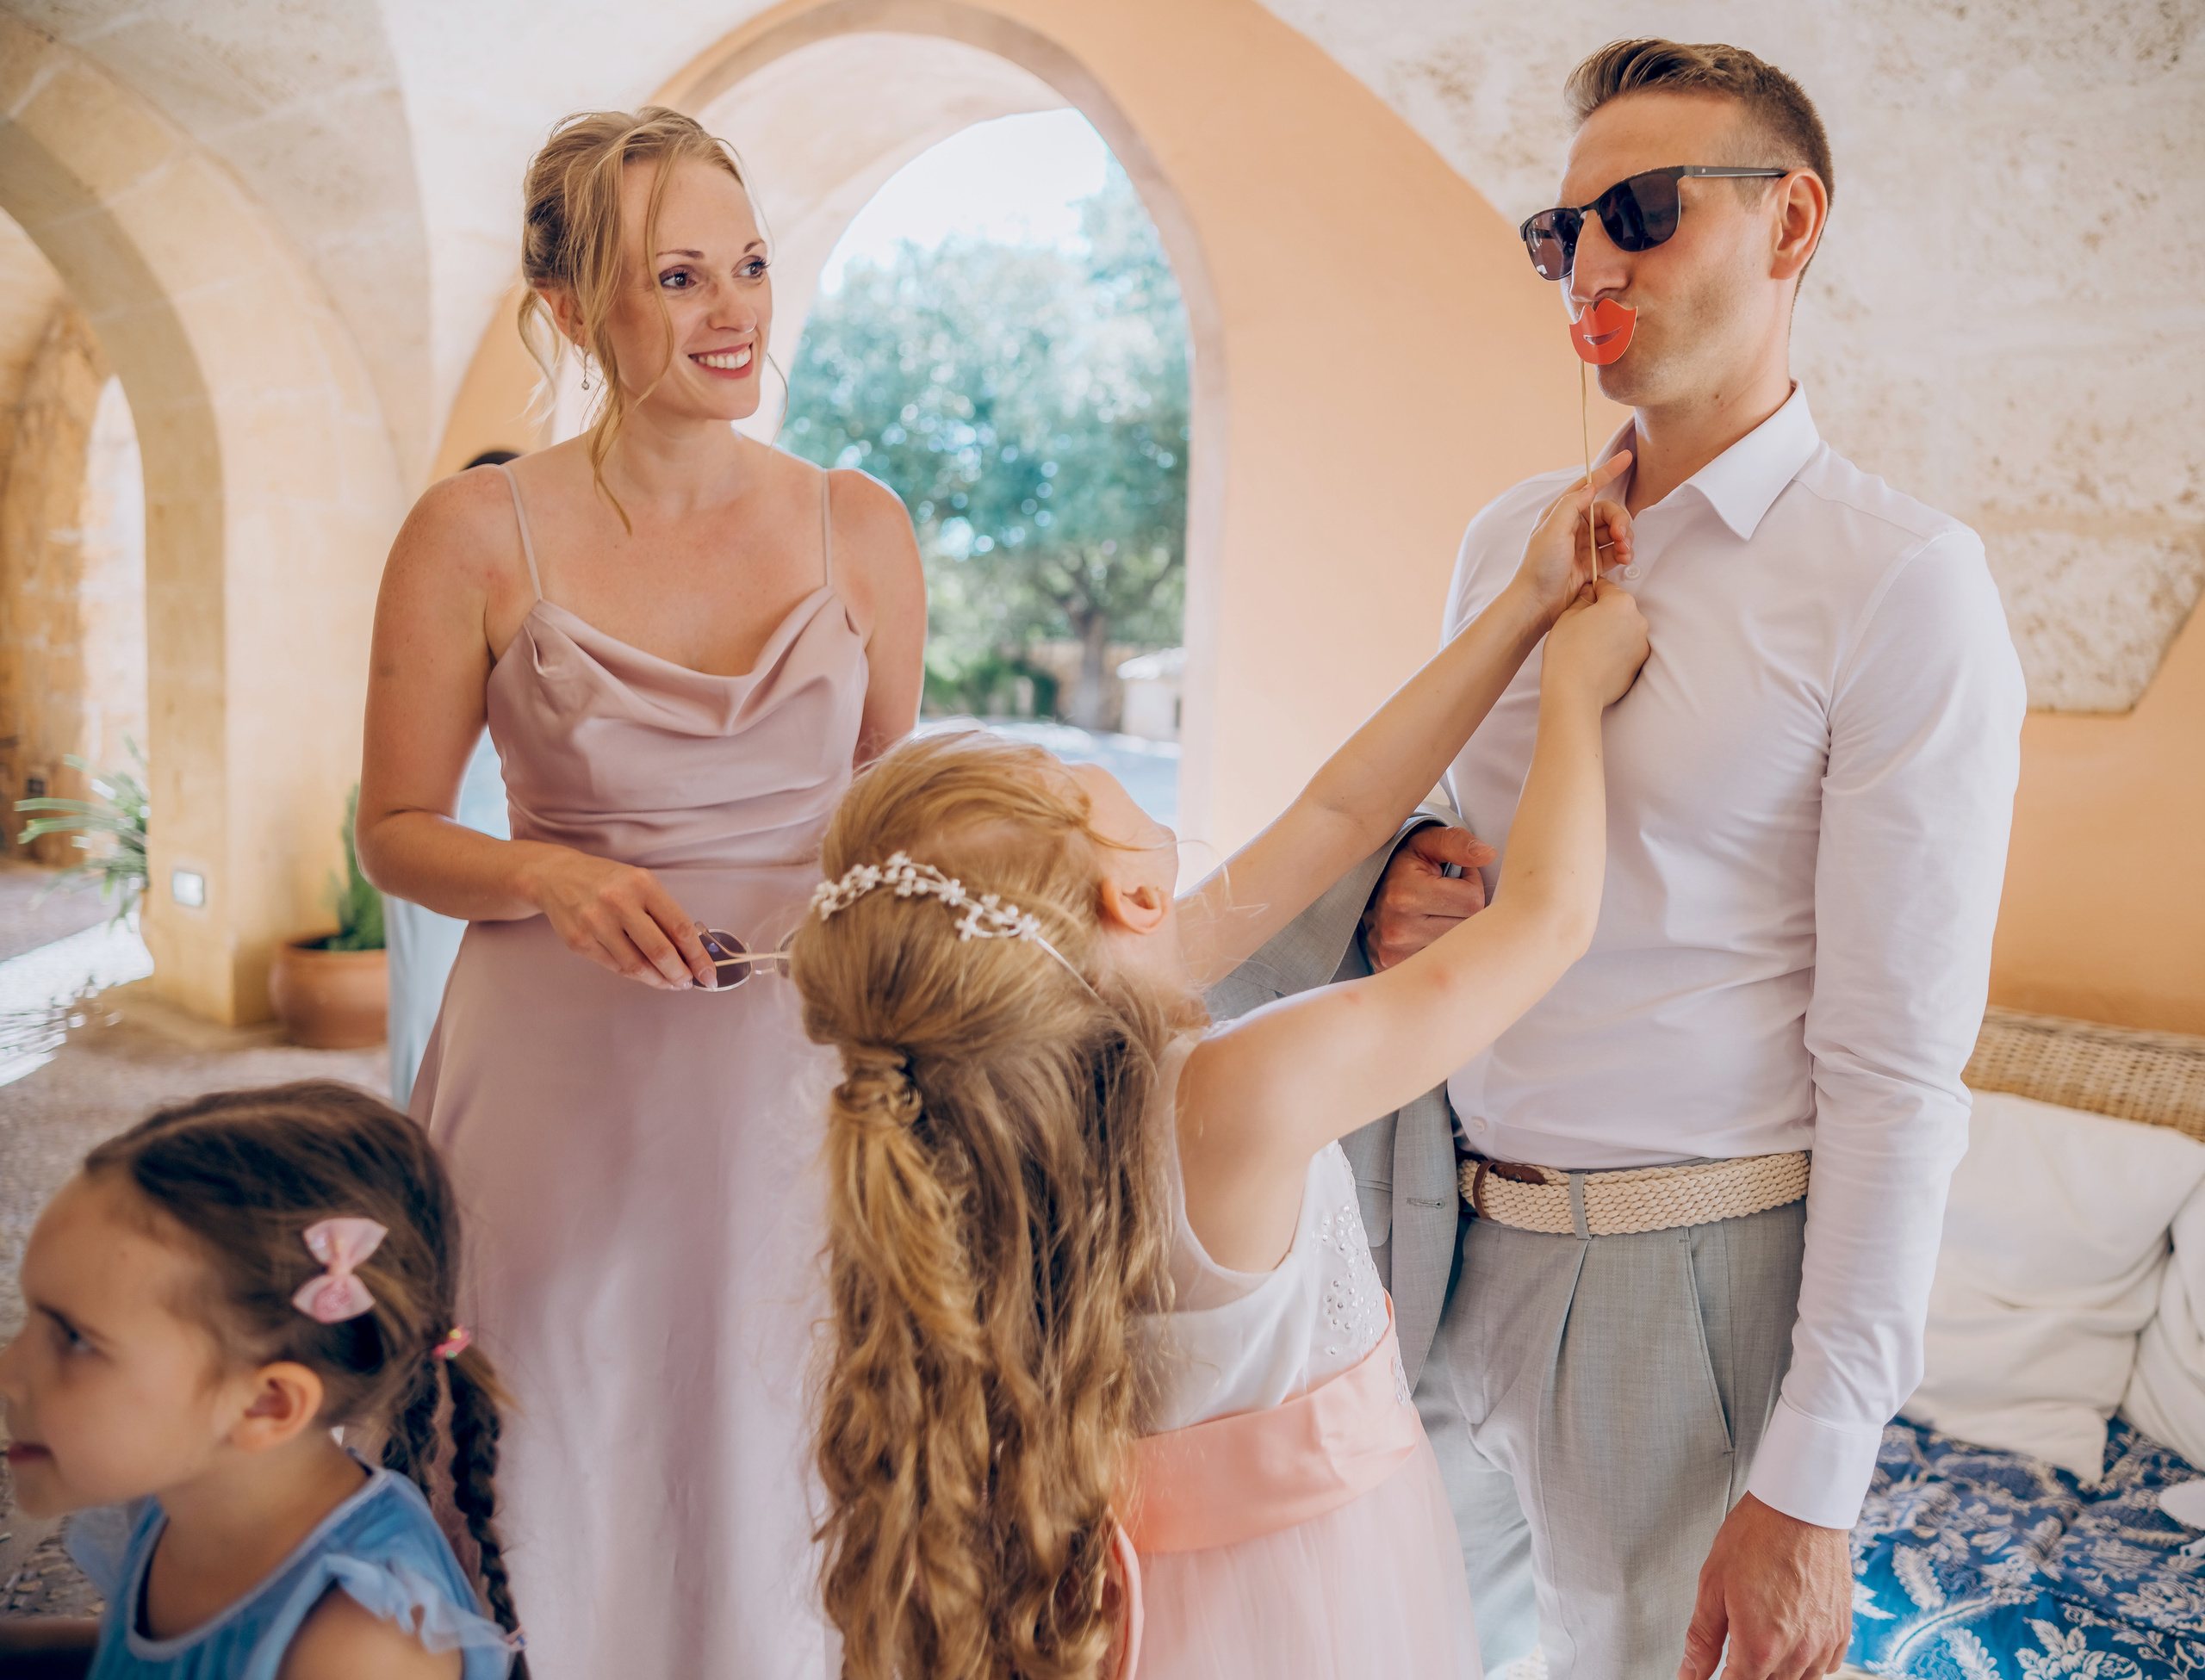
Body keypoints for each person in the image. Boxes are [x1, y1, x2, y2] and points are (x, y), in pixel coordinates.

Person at [1221, 38, 2028, 1680]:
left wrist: (1817, 1480)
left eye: (1642, 213)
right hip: (1432, 1238)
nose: (1590, 264)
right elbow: (1465, 840)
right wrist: (1406, 874)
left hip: (1695, 1282)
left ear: (1791, 223)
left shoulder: (1901, 585)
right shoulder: (1503, 546)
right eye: (1560, 230)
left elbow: (1897, 1068)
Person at [793, 459, 1647, 1679]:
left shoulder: (1043, 1053)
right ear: (1133, 896)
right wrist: (1573, 689)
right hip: (1316, 1612)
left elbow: (1338, 816)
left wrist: (1521, 604)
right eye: (1058, 776)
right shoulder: (1241, 1093)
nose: (1074, 763)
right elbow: (1544, 924)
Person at [355, 108, 926, 1677]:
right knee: (553, 1445)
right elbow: (394, 830)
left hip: (796, 1075)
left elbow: (889, 817)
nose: (734, 311)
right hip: (556, 1076)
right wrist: (544, 871)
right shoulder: (472, 533)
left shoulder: (860, 525)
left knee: (779, 1447)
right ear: (569, 309)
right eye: (678, 277)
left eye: (749, 264)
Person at [0, 1081, 525, 1680]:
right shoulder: (180, 1484)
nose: (8, 1370)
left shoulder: (359, 1646)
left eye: (75, 1339)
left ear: (267, 1404)